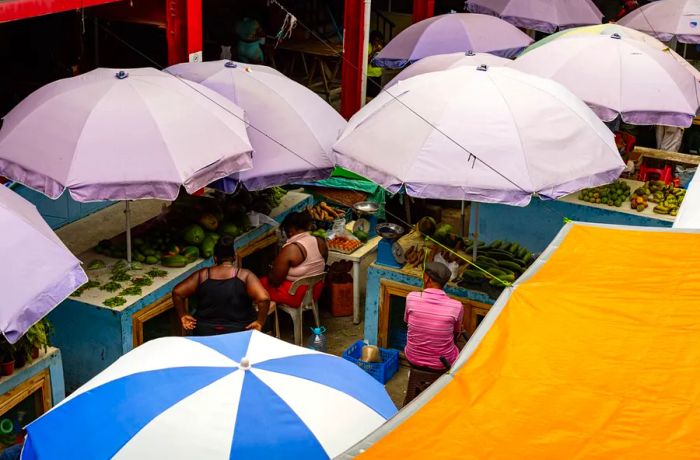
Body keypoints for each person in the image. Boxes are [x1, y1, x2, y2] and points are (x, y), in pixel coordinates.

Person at [172, 236, 270, 336]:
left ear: (215, 259)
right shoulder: (245, 276)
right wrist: (259, 322)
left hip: (205, 332)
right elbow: (264, 299)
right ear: (234, 257)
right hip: (239, 332)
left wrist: (183, 315)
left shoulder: (202, 275)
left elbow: (177, 292)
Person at [404, 262, 464, 370]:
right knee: (460, 342)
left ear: (427, 279)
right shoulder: (457, 306)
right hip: (443, 363)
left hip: (413, 358)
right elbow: (456, 332)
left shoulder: (411, 298)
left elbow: (407, 322)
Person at [261, 211, 327, 307]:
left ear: (290, 230)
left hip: (295, 296)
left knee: (255, 284)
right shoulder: (320, 241)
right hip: (314, 292)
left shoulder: (291, 249)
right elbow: (322, 262)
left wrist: (272, 268)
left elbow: (275, 281)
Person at [366, 31, 385, 99]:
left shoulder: (381, 48)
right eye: (376, 40)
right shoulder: (367, 47)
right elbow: (365, 62)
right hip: (368, 75)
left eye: (380, 40)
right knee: (368, 96)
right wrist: (373, 52)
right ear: (372, 40)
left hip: (378, 75)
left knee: (375, 96)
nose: (378, 42)